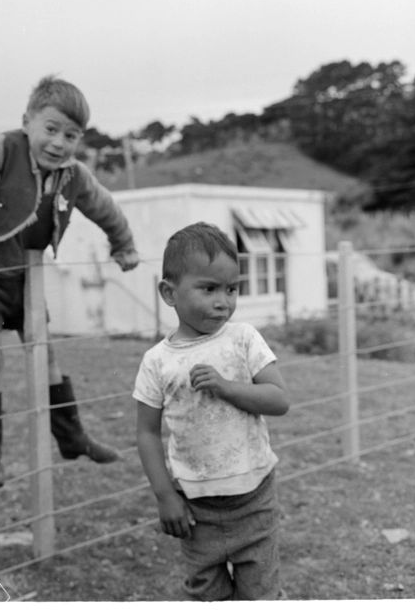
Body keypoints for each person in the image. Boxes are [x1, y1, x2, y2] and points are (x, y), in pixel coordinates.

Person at [0, 75, 139, 493]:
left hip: (27, 279)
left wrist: (123, 245)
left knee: (46, 359)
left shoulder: (72, 174)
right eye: (51, 130)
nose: (59, 143)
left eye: (71, 135)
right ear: (27, 120)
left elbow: (105, 208)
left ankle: (72, 438)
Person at [134, 222, 289, 601]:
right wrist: (164, 496)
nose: (223, 301)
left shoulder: (243, 339)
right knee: (207, 596)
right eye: (209, 289)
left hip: (254, 498)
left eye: (232, 289)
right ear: (169, 293)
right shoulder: (157, 361)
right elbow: (146, 433)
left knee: (261, 596)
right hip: (195, 506)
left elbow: (279, 399)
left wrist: (227, 387)